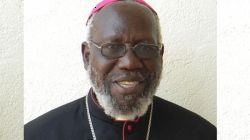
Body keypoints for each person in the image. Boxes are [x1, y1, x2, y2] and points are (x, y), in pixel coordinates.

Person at [24, 0, 216, 140]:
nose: (130, 63)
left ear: (161, 56)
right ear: (87, 56)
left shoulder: (202, 134)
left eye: (145, 48)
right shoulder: (35, 135)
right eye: (112, 47)